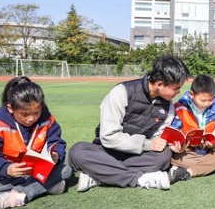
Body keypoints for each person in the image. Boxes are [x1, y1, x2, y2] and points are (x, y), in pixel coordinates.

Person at [68, 56, 189, 191]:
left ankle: (99, 177)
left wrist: (167, 144)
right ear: (160, 84)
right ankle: (141, 179)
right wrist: (147, 144)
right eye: (176, 88)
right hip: (108, 151)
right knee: (77, 151)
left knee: (164, 157)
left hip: (138, 156)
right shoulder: (122, 92)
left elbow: (158, 137)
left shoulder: (168, 106)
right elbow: (109, 137)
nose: (178, 93)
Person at [0, 76, 72, 209]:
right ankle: (47, 186)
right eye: (24, 114)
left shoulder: (48, 120)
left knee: (67, 165)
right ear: (10, 108)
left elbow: (57, 142)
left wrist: (55, 155)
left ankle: (17, 194)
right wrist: (6, 168)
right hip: (10, 176)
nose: (31, 118)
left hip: (39, 172)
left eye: (36, 113)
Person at [168, 74, 215, 183]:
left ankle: (188, 172)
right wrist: (179, 146)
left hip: (211, 150)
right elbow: (173, 132)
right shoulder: (180, 107)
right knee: (177, 159)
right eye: (203, 100)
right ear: (192, 94)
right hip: (189, 153)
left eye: (210, 100)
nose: (207, 103)